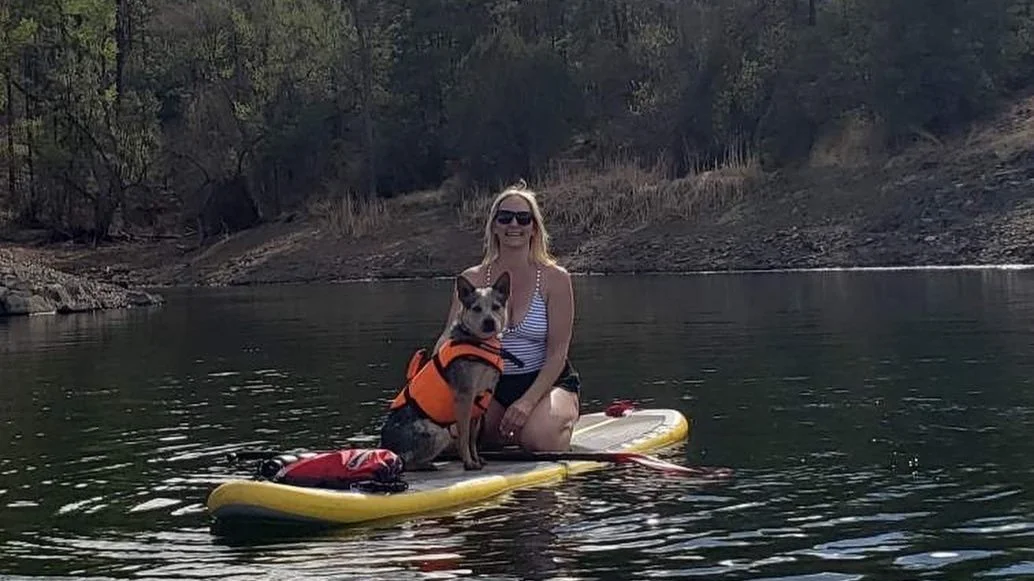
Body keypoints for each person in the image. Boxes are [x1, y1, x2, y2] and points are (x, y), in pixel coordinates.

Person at [434, 180, 581, 452]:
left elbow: (557, 355)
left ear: (534, 228)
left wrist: (526, 403)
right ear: (494, 226)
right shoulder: (472, 279)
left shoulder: (556, 279)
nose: (514, 224)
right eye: (505, 217)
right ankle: (501, 432)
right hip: (489, 384)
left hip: (544, 382)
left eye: (523, 219)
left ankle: (551, 421)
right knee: (451, 440)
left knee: (540, 441)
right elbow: (448, 339)